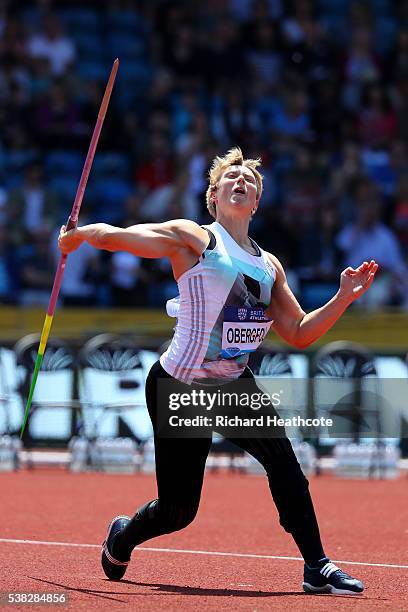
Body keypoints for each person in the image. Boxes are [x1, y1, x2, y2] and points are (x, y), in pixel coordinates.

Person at [58, 148, 378, 595]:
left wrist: (343, 297)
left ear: (257, 202)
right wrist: (82, 236)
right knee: (178, 511)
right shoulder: (196, 239)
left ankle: (316, 565)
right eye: (232, 177)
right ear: (214, 194)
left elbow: (300, 332)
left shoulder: (270, 267)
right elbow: (123, 237)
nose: (241, 181)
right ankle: (123, 534)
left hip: (232, 385)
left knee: (285, 464)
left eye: (249, 179)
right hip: (180, 387)